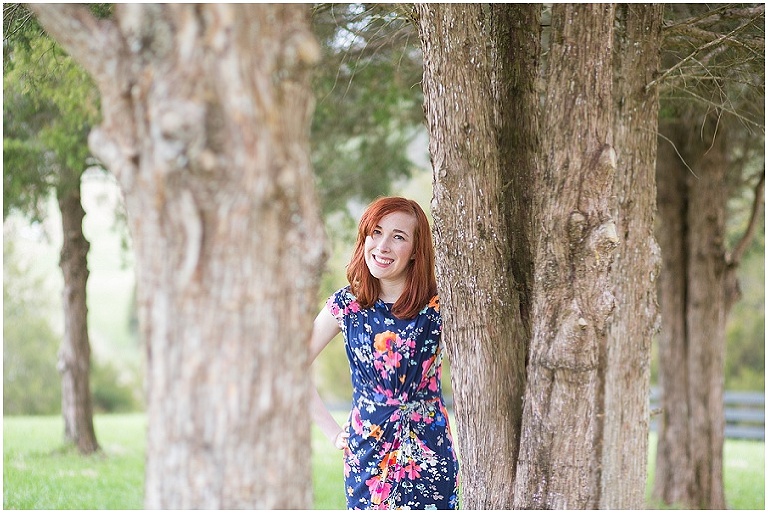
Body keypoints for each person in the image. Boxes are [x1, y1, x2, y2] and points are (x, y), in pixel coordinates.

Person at [309, 196, 460, 510]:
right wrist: (332, 433)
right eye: (375, 232)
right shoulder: (347, 305)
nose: (382, 246)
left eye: (398, 237)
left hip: (429, 452)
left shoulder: (439, 305)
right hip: (367, 454)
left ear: (416, 250)